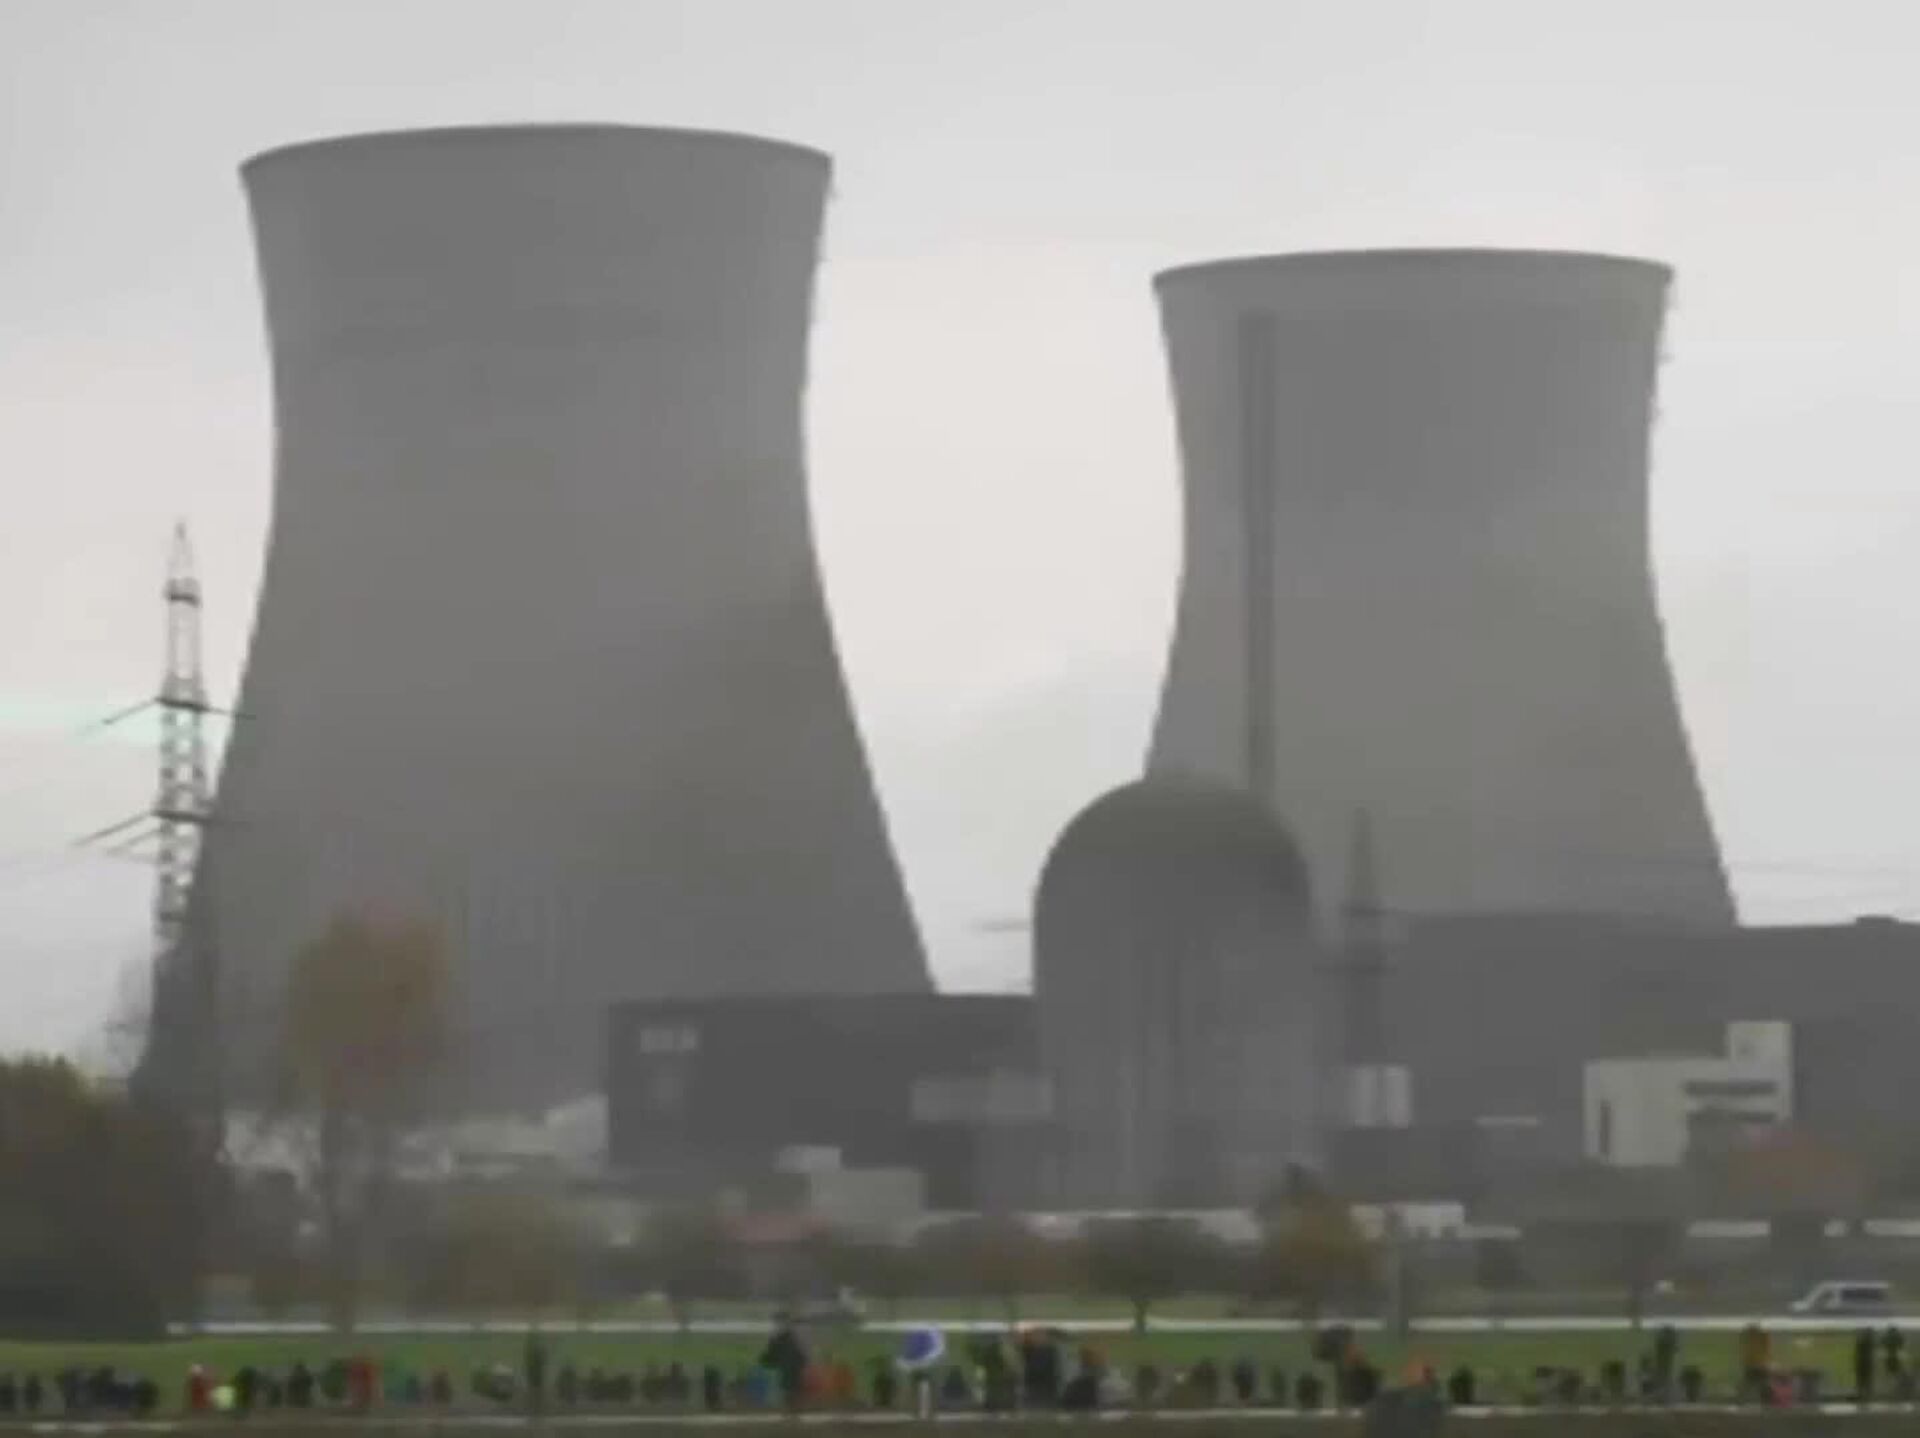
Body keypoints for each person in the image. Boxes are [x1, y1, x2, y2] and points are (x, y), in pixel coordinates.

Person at [1856, 1327, 1878, 1404]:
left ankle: (1863, 1396)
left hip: (1863, 1364)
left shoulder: (1863, 1343)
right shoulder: (1868, 1344)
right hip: (1865, 1365)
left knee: (1863, 1382)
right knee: (1865, 1382)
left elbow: (1859, 1354)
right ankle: (1865, 1397)